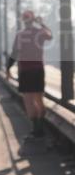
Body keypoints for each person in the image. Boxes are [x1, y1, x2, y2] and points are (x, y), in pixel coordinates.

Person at [7, 10, 54, 149]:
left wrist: (8, 68)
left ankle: (36, 130)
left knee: (28, 101)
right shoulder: (40, 33)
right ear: (33, 20)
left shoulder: (20, 35)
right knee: (38, 100)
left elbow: (14, 52)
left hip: (25, 71)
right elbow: (50, 36)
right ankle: (40, 129)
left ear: (23, 20)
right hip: (38, 70)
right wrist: (42, 24)